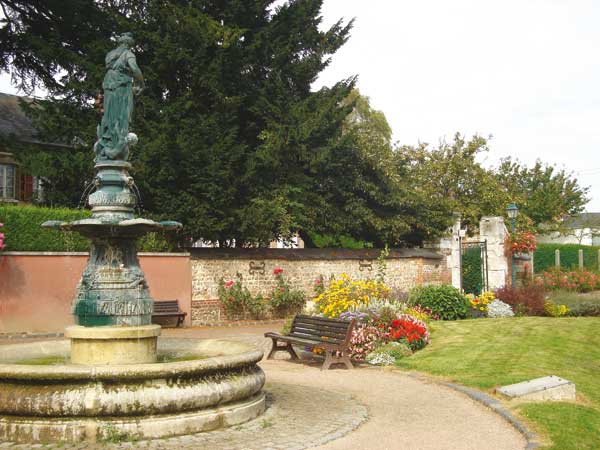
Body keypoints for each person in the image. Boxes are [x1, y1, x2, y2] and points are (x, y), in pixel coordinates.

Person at [94, 32, 144, 162]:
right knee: (122, 114)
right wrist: (141, 83)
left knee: (109, 114)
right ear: (129, 44)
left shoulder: (110, 55)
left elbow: (108, 65)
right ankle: (116, 143)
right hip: (122, 86)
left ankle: (108, 140)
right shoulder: (128, 54)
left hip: (109, 83)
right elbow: (134, 68)